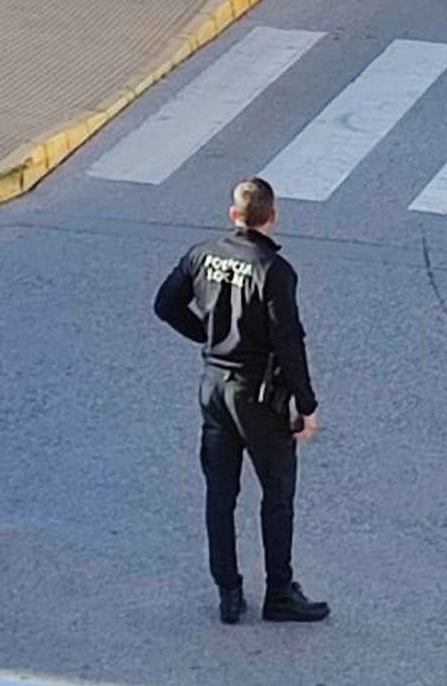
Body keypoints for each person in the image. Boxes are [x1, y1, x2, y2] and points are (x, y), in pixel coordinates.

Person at [154, 176, 329, 627]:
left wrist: (207, 336)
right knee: (277, 494)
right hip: (259, 396)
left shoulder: (202, 254)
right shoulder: (274, 270)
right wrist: (306, 406)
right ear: (272, 217)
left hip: (213, 388)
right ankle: (279, 593)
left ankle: (228, 594)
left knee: (220, 493)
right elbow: (289, 342)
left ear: (233, 215)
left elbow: (166, 305)